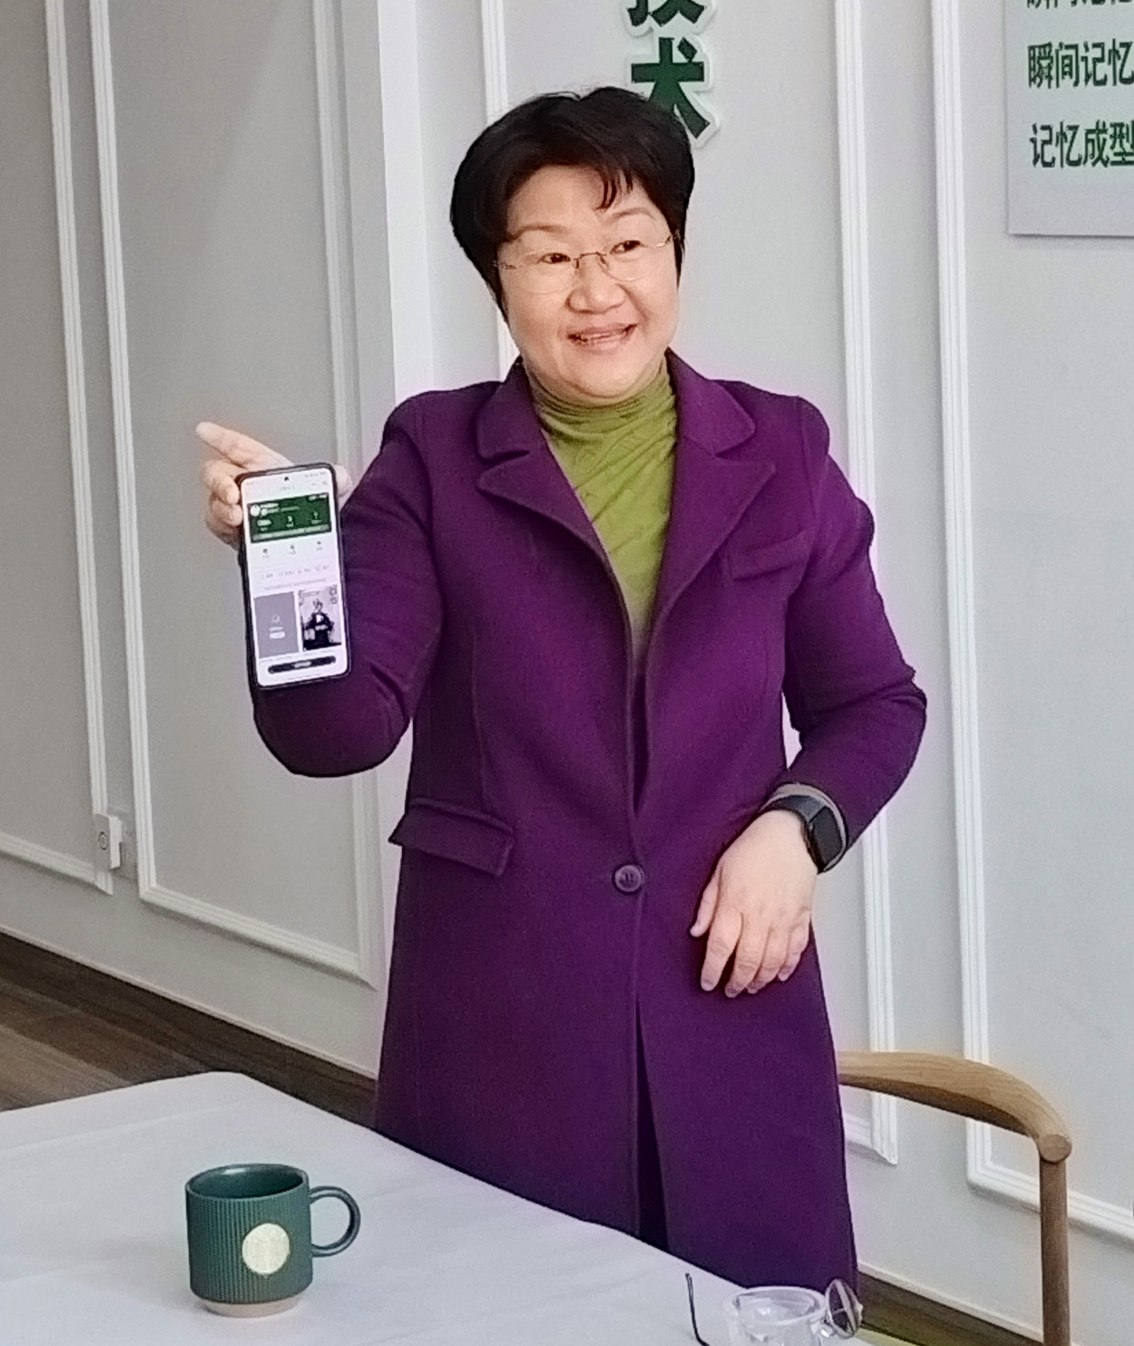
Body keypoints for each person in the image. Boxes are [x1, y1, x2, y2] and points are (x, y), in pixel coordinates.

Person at [197, 86, 925, 1292]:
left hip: (728, 1004)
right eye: (550, 255)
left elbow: (875, 703)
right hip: (502, 1020)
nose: (598, 288)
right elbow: (337, 730)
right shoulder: (432, 457)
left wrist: (794, 833)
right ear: (499, 277)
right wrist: (289, 561)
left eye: (629, 242)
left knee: (755, 1306)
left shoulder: (782, 452)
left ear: (674, 251)